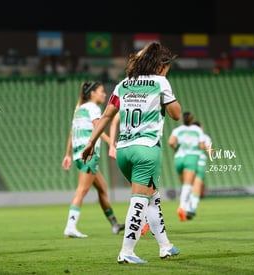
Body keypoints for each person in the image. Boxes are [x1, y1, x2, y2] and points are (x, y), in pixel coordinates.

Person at [81, 42, 182, 264]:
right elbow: (176, 114)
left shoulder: (123, 85)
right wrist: (166, 98)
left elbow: (107, 116)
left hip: (124, 151)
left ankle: (165, 246)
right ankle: (126, 251)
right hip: (146, 150)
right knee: (140, 202)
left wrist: (90, 143)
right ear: (160, 65)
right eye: (166, 67)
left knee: (152, 198)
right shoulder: (160, 82)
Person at [62, 81, 124, 238]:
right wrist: (111, 143)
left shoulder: (79, 110)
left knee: (102, 189)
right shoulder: (93, 108)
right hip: (88, 154)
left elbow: (71, 133)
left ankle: (115, 224)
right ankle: (70, 226)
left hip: (78, 154)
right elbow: (98, 128)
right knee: (82, 190)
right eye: (101, 91)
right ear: (92, 94)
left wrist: (68, 154)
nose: (104, 94)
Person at [168, 111, 205, 221]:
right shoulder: (197, 130)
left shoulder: (177, 130)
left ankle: (187, 206)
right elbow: (202, 145)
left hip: (179, 158)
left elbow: (170, 142)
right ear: (192, 120)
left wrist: (176, 149)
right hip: (191, 157)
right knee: (188, 185)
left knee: (184, 184)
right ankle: (182, 207)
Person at [186, 121, 212, 220]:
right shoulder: (205, 137)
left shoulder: (188, 136)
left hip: (188, 162)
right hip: (200, 162)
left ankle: (186, 206)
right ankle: (192, 208)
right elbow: (209, 151)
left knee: (188, 185)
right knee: (197, 185)